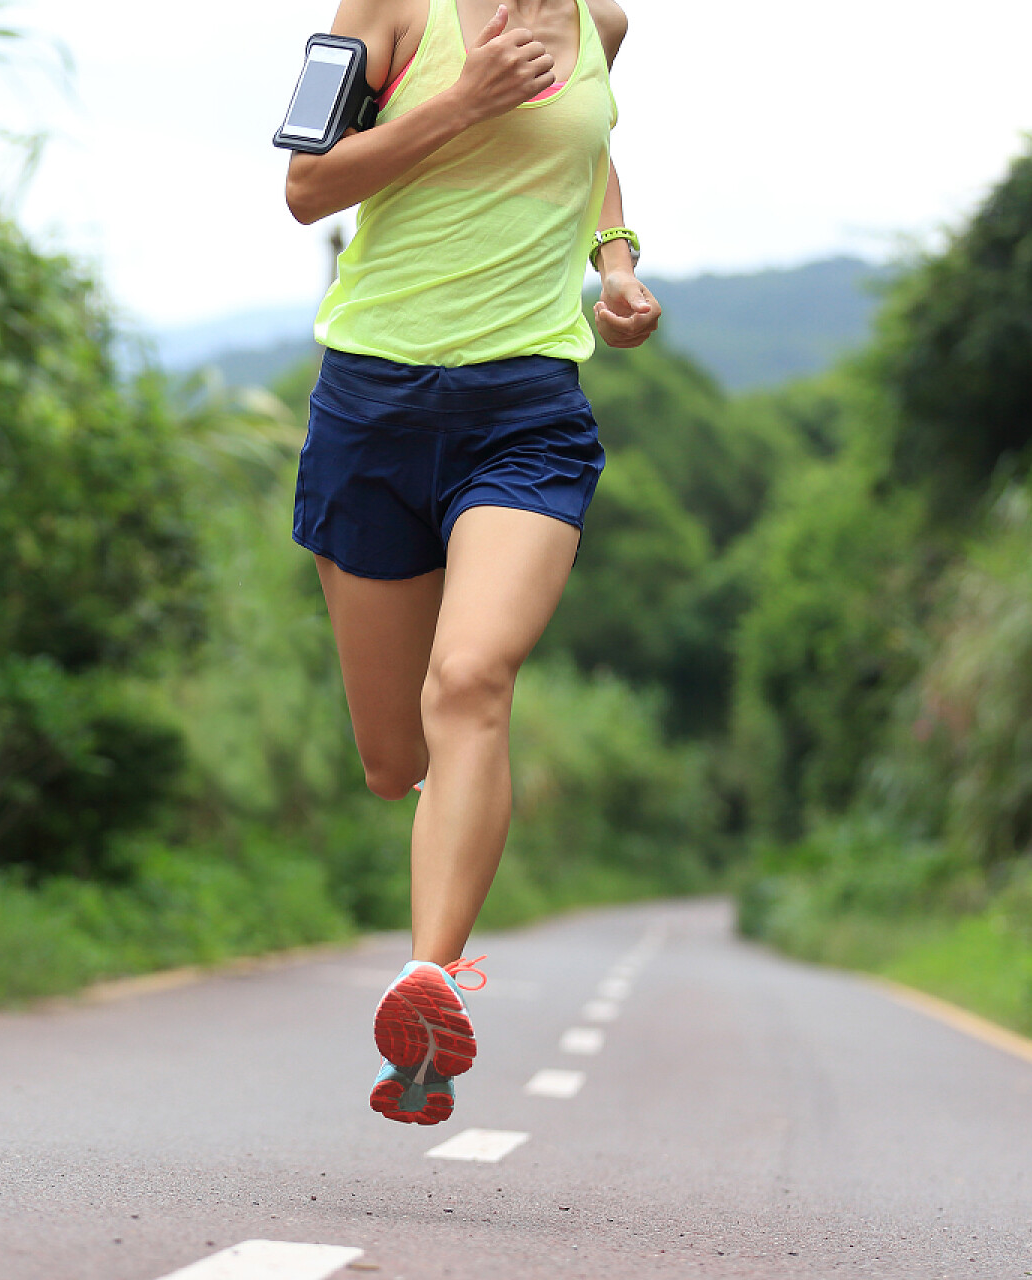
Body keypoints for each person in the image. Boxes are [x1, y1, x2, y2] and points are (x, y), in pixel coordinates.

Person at [283, 0, 661, 1124]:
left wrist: (617, 262)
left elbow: (592, 149)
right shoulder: (388, 10)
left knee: (472, 679)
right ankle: (429, 964)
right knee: (396, 758)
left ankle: (430, 982)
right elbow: (310, 188)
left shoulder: (604, 23)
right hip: (373, 404)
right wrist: (463, 101)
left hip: (527, 410)